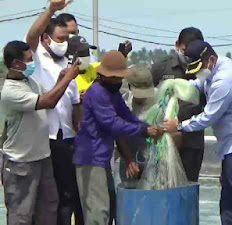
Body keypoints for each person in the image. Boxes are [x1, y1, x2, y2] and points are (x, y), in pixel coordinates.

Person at [164, 40, 232, 225]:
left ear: (211, 59)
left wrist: (178, 125)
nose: (199, 73)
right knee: (228, 201)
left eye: (200, 68)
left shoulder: (224, 80)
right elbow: (201, 83)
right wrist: (180, 86)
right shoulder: (218, 65)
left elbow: (208, 117)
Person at [73, 50, 163, 224]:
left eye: (119, 77)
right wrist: (144, 131)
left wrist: (146, 127)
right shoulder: (97, 93)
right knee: (98, 212)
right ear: (103, 75)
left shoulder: (112, 93)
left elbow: (126, 115)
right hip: (90, 159)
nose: (118, 81)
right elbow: (112, 123)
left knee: (109, 207)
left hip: (101, 157)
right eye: (115, 77)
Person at [1, 40, 80, 225]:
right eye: (29, 60)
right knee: (22, 214)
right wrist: (69, 79)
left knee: (48, 207)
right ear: (15, 64)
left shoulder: (31, 82)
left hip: (42, 157)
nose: (32, 63)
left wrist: (61, 78)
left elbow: (49, 95)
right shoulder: (11, 91)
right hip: (21, 162)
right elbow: (48, 102)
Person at [24, 1, 83, 225]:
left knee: (67, 197)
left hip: (67, 140)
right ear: (46, 39)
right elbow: (31, 35)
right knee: (47, 200)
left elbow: (75, 107)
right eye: (59, 39)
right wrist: (51, 10)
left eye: (66, 39)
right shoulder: (36, 58)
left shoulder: (69, 65)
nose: (63, 43)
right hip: (44, 139)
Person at [151, 27, 205, 182]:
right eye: (184, 50)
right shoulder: (162, 67)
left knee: (188, 187)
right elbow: (143, 93)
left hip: (192, 141)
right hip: (164, 140)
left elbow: (209, 104)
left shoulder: (204, 71)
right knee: (163, 185)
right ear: (177, 45)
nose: (188, 56)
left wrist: (181, 123)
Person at [119, 64, 157, 186]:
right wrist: (129, 160)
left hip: (153, 160)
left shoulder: (160, 100)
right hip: (128, 158)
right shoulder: (123, 101)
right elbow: (119, 133)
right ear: (130, 87)